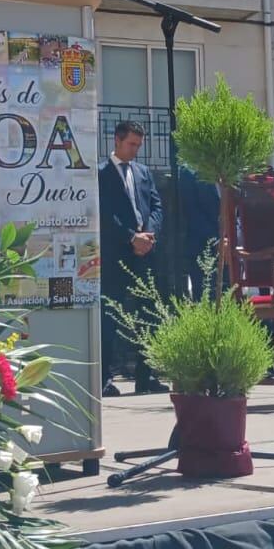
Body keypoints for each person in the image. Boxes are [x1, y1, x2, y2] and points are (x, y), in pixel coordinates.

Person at [98, 121, 166, 395]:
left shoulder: (142, 172)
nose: (135, 150)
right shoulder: (101, 173)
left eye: (139, 145)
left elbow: (156, 204)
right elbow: (103, 213)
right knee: (111, 314)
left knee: (147, 314)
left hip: (145, 252)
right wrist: (130, 237)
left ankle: (145, 375)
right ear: (117, 140)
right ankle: (105, 377)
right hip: (117, 253)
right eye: (131, 144)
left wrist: (150, 234)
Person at [177, 162, 223, 292]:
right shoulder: (189, 171)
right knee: (205, 295)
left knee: (230, 297)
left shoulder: (229, 168)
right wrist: (216, 240)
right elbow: (192, 213)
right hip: (202, 247)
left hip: (229, 249)